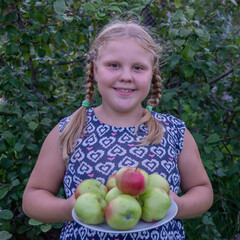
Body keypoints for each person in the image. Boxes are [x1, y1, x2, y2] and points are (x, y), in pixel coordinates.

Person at [22, 20, 213, 240]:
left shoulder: (173, 131)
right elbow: (33, 198)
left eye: (138, 68)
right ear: (95, 70)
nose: (125, 76)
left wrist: (179, 205)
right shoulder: (69, 130)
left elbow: (203, 190)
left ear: (152, 74)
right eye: (113, 65)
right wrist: (69, 209)